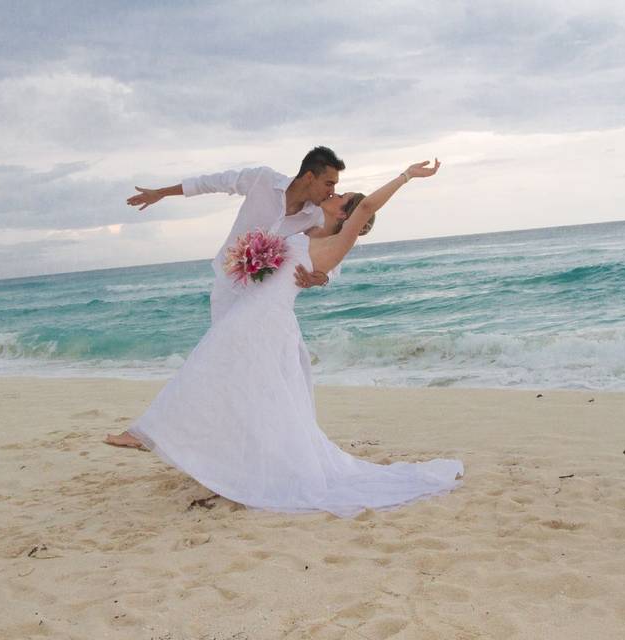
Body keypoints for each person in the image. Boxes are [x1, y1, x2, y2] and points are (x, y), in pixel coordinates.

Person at [106, 158, 462, 517]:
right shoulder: (307, 227)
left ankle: (145, 435)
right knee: (230, 382)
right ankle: (210, 455)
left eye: (343, 197)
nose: (336, 194)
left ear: (345, 216)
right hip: (251, 311)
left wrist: (405, 176)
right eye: (333, 187)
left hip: (263, 320)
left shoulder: (340, 243)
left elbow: (363, 212)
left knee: (204, 370)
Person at [126, 146, 349, 325]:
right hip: (227, 283)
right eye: (329, 183)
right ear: (309, 177)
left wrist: (323, 278)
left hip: (264, 293)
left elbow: (334, 248)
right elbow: (210, 183)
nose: (331, 191)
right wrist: (161, 193)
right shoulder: (263, 179)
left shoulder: (316, 215)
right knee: (224, 348)